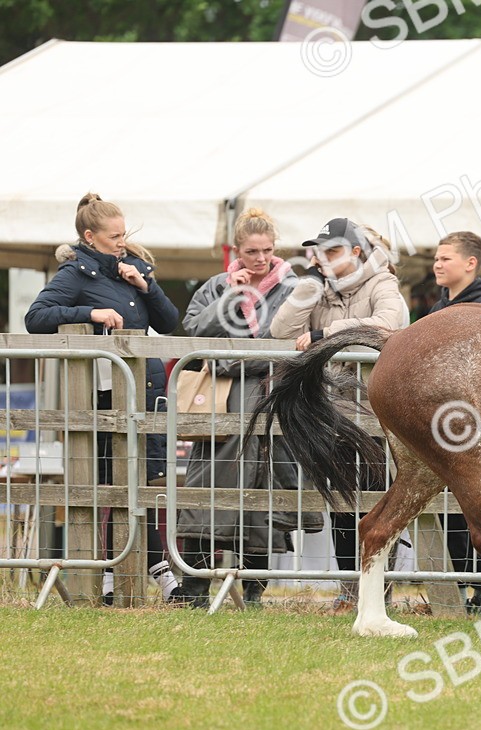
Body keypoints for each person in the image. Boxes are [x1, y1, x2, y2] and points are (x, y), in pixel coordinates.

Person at [24, 193, 182, 604]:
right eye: (114, 236)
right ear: (90, 237)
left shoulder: (134, 268)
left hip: (145, 393)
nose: (121, 242)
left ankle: (122, 575)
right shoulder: (75, 274)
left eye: (124, 234)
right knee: (116, 485)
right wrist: (88, 314)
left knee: (139, 483)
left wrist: (146, 286)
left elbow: (169, 322)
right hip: (105, 395)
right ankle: (152, 575)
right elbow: (36, 317)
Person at [174, 209, 323, 608]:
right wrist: (229, 296)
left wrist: (230, 360)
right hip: (223, 403)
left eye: (267, 250)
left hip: (273, 400)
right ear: (237, 251)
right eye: (252, 252)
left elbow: (288, 346)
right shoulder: (215, 286)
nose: (260, 258)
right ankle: (195, 590)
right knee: (207, 490)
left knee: (264, 495)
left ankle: (254, 592)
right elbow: (194, 331)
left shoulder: (293, 287)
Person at [270, 218, 408, 611]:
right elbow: (281, 330)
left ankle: (377, 588)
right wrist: (308, 286)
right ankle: (351, 589)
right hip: (333, 411)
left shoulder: (382, 282)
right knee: (343, 503)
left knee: (377, 501)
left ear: (356, 252)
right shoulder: (319, 288)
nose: (324, 258)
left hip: (379, 410)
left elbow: (387, 324)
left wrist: (328, 332)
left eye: (333, 250)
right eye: (320, 252)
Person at [427, 231, 481, 613]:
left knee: (474, 512)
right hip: (442, 427)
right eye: (436, 258)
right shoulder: (440, 308)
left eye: (446, 258)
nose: (437, 264)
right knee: (449, 513)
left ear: (470, 263)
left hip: (476, 429)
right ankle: (463, 589)